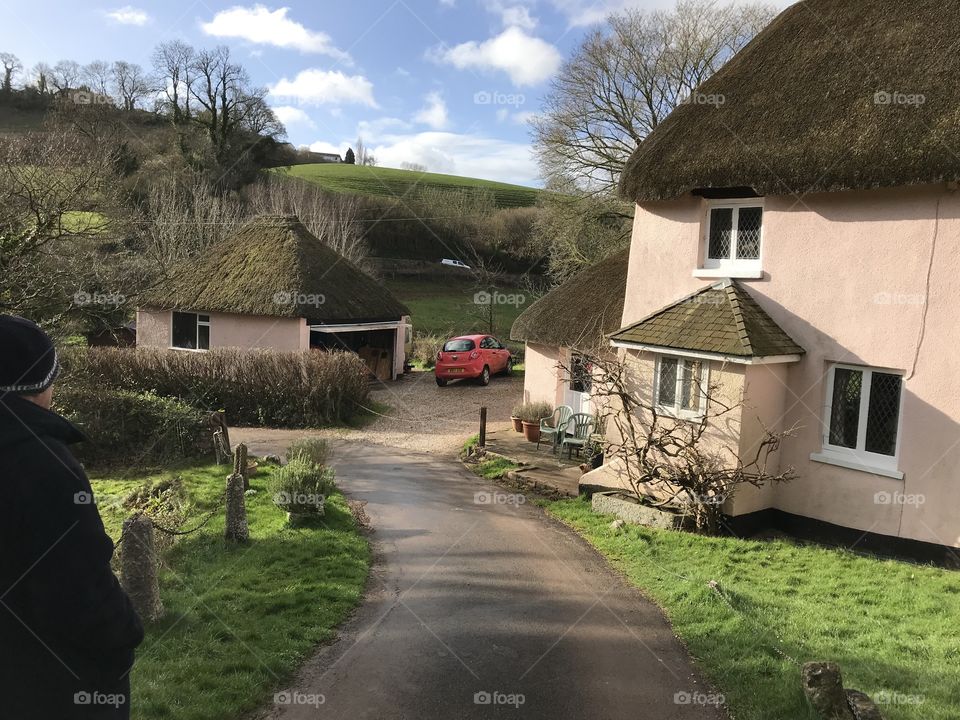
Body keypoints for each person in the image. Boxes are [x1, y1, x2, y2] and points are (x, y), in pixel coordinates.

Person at [0, 315, 144, 719]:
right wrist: (124, 634)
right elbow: (79, 588)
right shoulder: (41, 463)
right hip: (49, 685)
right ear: (41, 386)